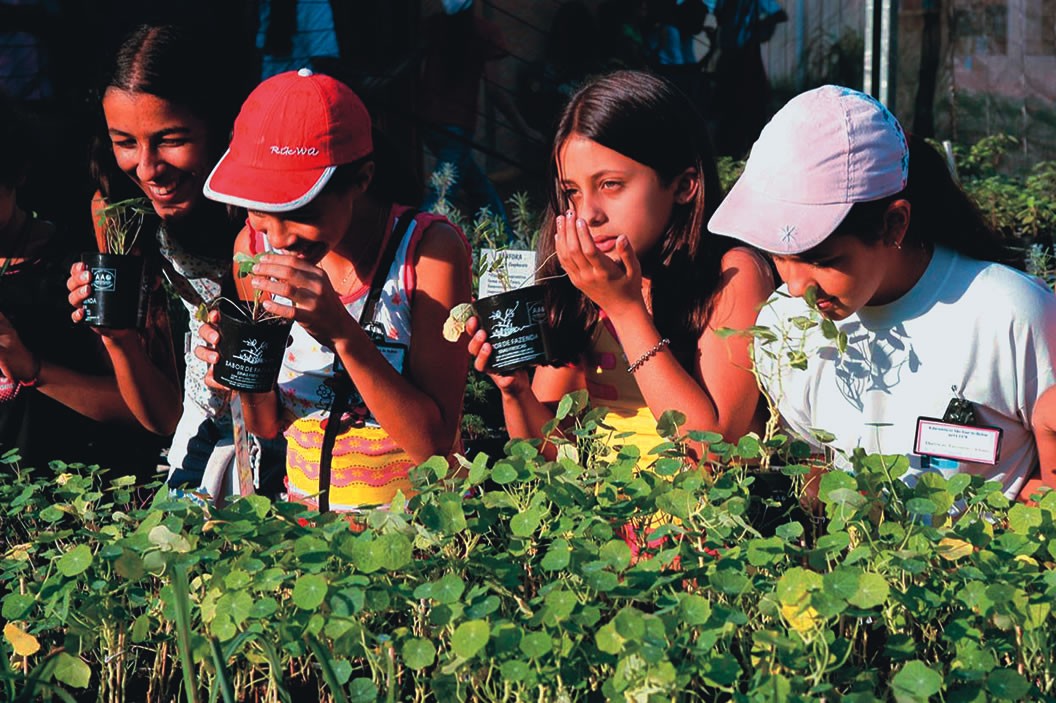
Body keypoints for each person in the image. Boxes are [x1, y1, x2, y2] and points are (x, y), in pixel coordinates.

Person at [708, 84, 1056, 502]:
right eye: (779, 257)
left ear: (894, 224)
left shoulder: (1010, 313)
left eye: (821, 259)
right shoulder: (784, 327)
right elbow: (816, 476)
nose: (798, 287)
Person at [195, 69, 472, 513]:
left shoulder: (428, 253)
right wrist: (240, 371)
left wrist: (342, 333)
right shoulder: (252, 246)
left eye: (298, 208)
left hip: (419, 537)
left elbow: (435, 448)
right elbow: (266, 425)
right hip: (312, 543)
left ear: (361, 179)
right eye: (262, 210)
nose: (279, 236)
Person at [466, 69, 774, 465]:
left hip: (702, 525)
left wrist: (626, 309)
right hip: (608, 520)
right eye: (572, 192)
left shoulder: (732, 273)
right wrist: (515, 390)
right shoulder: (587, 289)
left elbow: (711, 449)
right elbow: (547, 455)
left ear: (683, 186)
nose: (587, 214)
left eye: (610, 184)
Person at [66, 24, 279, 498]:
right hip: (201, 438)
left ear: (222, 125)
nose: (147, 168)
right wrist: (118, 339)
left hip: (293, 428)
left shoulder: (273, 211)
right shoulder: (119, 211)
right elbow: (163, 416)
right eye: (125, 142)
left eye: (170, 139)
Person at [0, 91, 159, 475]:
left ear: (17, 172)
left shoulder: (79, 270)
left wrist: (32, 368)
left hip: (67, 508)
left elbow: (142, 411)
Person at [419, 0, 543, 229]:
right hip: (457, 126)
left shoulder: (434, 27)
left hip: (429, 123)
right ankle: (415, 247)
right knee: (440, 197)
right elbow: (496, 91)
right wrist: (523, 128)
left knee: (480, 191)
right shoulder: (483, 32)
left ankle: (502, 243)